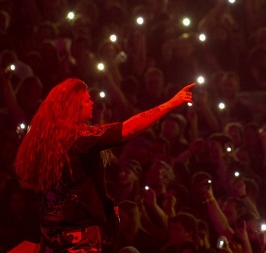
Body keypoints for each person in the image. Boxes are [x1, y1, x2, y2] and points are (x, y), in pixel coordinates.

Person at [14, 77, 195, 252]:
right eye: (86, 101)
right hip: (78, 235)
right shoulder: (81, 138)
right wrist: (170, 104)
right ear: (74, 108)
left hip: (50, 232)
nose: (92, 102)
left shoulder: (44, 139)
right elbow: (130, 128)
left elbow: (25, 182)